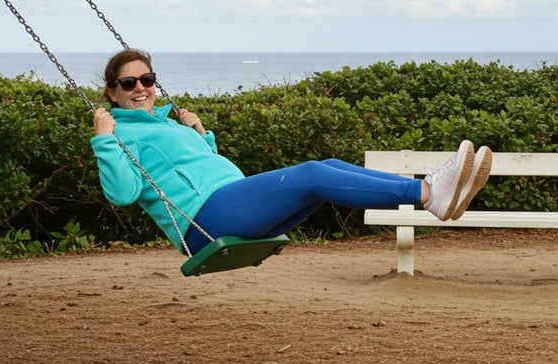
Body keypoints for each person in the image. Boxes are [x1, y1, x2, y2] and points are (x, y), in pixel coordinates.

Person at [90, 49, 492, 254]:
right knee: (313, 174)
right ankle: (427, 194)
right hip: (203, 221)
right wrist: (104, 140)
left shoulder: (162, 122)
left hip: (227, 200)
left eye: (147, 78)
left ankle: (432, 195)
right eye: (128, 84)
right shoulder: (121, 132)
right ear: (112, 92)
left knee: (326, 170)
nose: (140, 88)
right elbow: (123, 194)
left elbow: (199, 165)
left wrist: (199, 132)